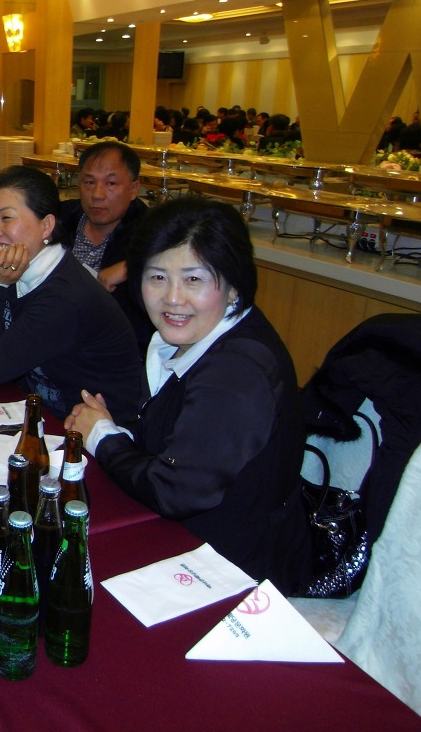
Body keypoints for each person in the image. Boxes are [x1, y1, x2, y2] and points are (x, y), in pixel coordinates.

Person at [65, 198, 311, 593]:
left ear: (233, 284)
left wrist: (103, 437)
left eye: (194, 279)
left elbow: (174, 490)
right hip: (180, 534)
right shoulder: (188, 337)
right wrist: (112, 429)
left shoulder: (237, 372)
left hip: (228, 570)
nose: (173, 298)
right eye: (157, 277)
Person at [0, 166, 142, 422]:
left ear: (46, 226)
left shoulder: (64, 296)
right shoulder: (19, 268)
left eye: (6, 217)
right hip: (40, 408)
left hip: (90, 429)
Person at [58, 141, 153, 349]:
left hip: (113, 351)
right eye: (89, 182)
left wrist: (133, 265)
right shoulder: (59, 219)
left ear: (133, 189)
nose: (97, 194)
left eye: (111, 183)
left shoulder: (151, 233)